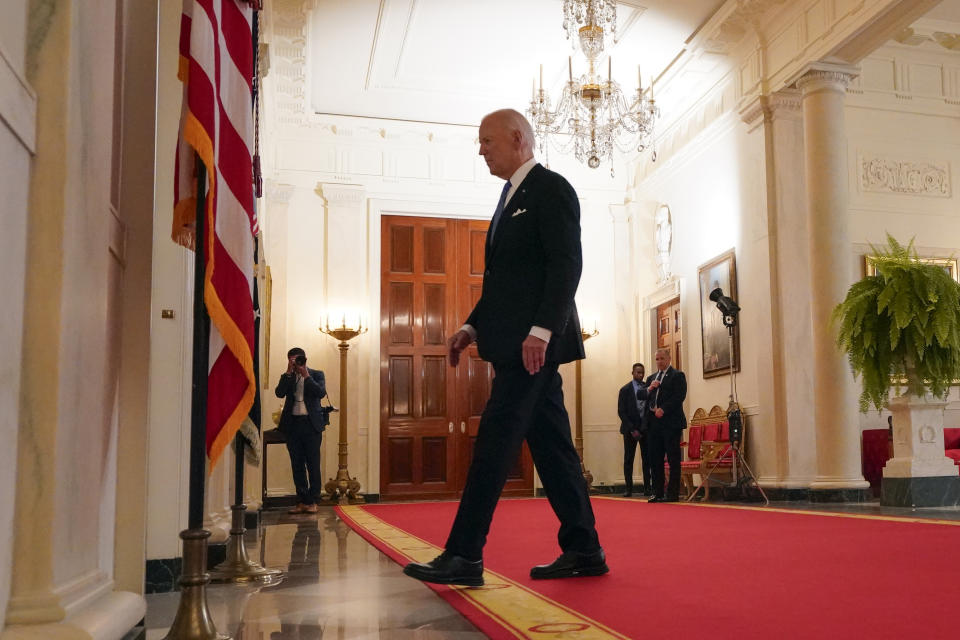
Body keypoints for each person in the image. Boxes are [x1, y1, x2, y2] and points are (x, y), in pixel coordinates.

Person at [402, 109, 606, 587]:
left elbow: (566, 266)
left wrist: (540, 332)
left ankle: (464, 554)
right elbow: (503, 283)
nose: (480, 150)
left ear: (518, 139)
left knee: (494, 442)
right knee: (554, 450)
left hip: (530, 349)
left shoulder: (552, 189)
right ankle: (584, 548)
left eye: (486, 141)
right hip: (515, 342)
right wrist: (471, 328)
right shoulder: (507, 198)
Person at [275, 347, 328, 514]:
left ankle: (313, 501)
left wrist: (306, 375)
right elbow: (279, 393)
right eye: (293, 360)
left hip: (311, 425)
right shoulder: (288, 377)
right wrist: (288, 372)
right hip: (293, 425)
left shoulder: (317, 374)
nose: (296, 363)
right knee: (297, 464)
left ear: (305, 359)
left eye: (298, 360)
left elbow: (320, 393)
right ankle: (302, 500)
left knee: (313, 463)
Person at [645, 348, 687, 502]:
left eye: (662, 358)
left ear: (669, 359)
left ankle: (672, 493)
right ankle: (657, 492)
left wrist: (664, 409)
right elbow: (644, 396)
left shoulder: (677, 376)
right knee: (655, 458)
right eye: (657, 359)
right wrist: (650, 391)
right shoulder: (651, 378)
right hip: (654, 424)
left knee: (673, 458)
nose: (659, 362)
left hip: (671, 423)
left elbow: (679, 396)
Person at [617, 363, 650, 497]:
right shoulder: (625, 390)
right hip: (630, 429)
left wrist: (644, 427)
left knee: (647, 459)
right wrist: (632, 429)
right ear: (632, 373)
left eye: (642, 372)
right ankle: (628, 489)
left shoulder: (647, 388)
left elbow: (648, 408)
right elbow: (621, 411)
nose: (640, 375)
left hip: (645, 429)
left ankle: (647, 488)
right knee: (628, 459)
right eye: (638, 372)